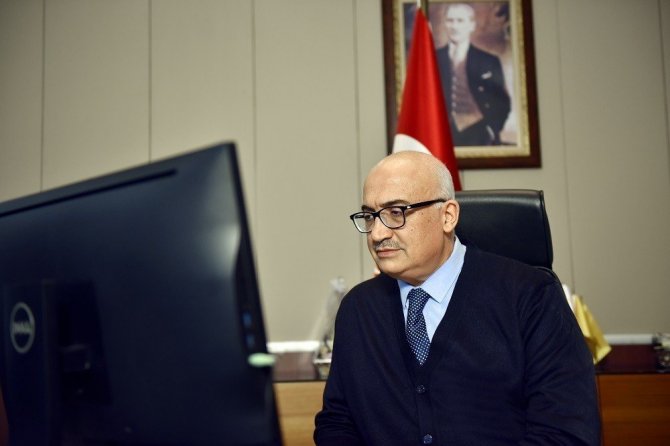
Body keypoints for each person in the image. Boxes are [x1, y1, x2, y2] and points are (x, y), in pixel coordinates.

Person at [313, 151, 600, 445]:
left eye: (396, 212)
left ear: (447, 216)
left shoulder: (532, 297)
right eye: (369, 216)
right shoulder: (358, 310)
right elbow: (338, 422)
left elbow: (566, 431)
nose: (376, 234)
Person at [435, 3, 511, 146]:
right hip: (440, 132)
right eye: (450, 20)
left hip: (478, 131)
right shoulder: (431, 59)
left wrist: (492, 129)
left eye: (460, 21)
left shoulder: (488, 61)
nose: (454, 26)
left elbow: (502, 102)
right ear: (445, 23)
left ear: (472, 25)